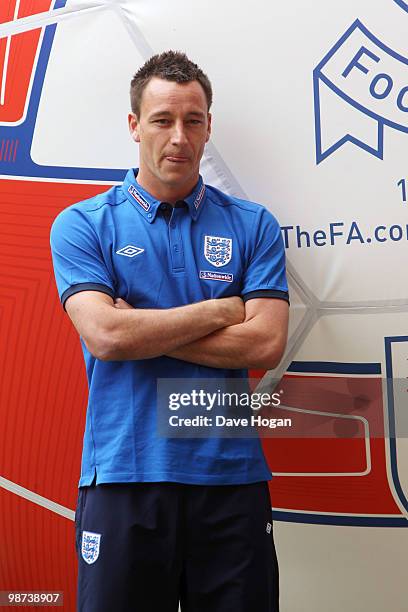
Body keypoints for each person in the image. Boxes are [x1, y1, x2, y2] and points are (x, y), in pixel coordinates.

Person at [50, 50, 289, 612]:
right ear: (134, 126)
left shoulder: (253, 225)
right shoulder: (83, 224)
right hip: (124, 479)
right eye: (162, 120)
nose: (178, 137)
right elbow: (106, 336)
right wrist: (220, 310)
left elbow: (265, 343)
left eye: (193, 120)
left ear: (209, 127)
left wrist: (142, 325)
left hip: (231, 483)